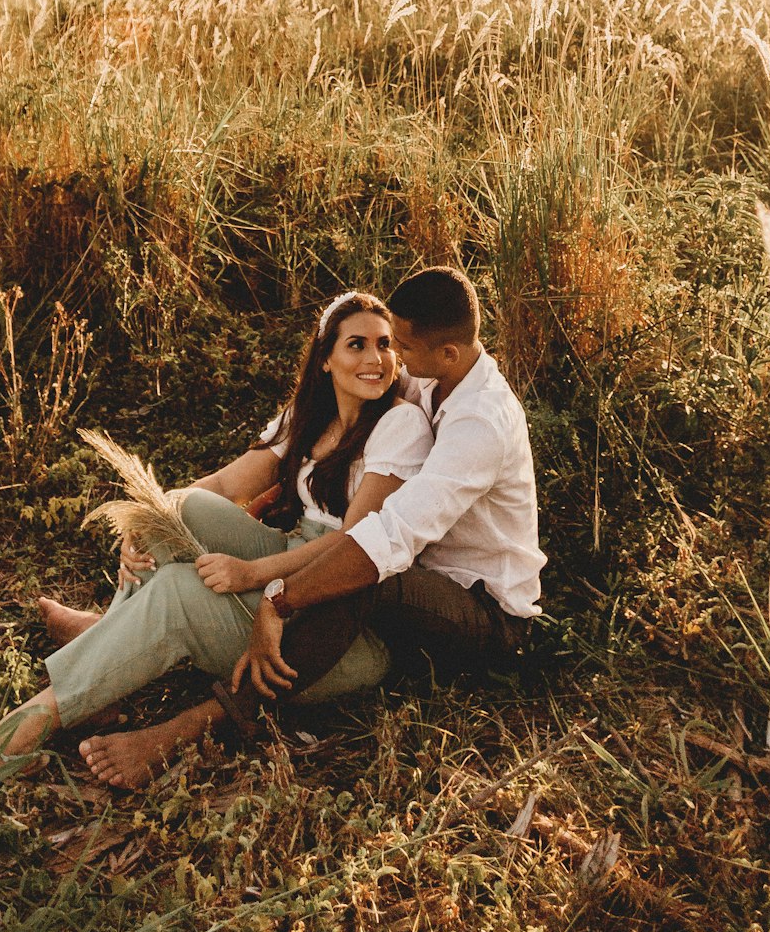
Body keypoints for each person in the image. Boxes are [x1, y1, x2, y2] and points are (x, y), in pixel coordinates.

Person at [0, 291, 433, 788]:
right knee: (182, 507)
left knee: (179, 592)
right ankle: (107, 656)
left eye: (385, 345)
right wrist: (146, 523)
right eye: (357, 345)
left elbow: (354, 543)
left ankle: (23, 728)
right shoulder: (309, 421)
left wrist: (252, 573)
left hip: (339, 624)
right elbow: (219, 488)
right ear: (325, 358)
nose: (376, 359)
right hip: (293, 565)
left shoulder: (399, 424)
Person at [229, 266, 547, 705]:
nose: (391, 355)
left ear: (449, 354)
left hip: (487, 615)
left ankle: (221, 716)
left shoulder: (482, 422)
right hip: (426, 581)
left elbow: (391, 535)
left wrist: (278, 599)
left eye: (402, 346)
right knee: (358, 565)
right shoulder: (433, 371)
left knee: (369, 569)